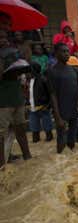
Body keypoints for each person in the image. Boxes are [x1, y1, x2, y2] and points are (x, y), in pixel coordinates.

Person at [0, 29, 32, 168]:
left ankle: (28, 158)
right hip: (3, 102)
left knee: (21, 130)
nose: (3, 40)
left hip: (17, 98)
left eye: (5, 37)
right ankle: (2, 167)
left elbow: (23, 69)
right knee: (1, 134)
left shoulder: (12, 53)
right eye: (0, 37)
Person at [46, 43, 78, 153]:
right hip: (61, 111)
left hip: (73, 110)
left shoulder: (73, 70)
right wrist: (57, 117)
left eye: (68, 51)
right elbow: (52, 94)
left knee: (72, 141)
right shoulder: (52, 71)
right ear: (56, 54)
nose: (67, 54)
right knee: (61, 141)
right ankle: (60, 160)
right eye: (63, 51)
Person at [27, 61, 53, 142]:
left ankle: (49, 136)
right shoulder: (30, 80)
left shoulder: (43, 79)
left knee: (47, 125)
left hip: (43, 106)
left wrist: (48, 105)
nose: (28, 71)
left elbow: (50, 93)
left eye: (30, 69)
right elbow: (29, 93)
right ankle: (36, 138)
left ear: (34, 70)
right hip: (32, 107)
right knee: (34, 126)